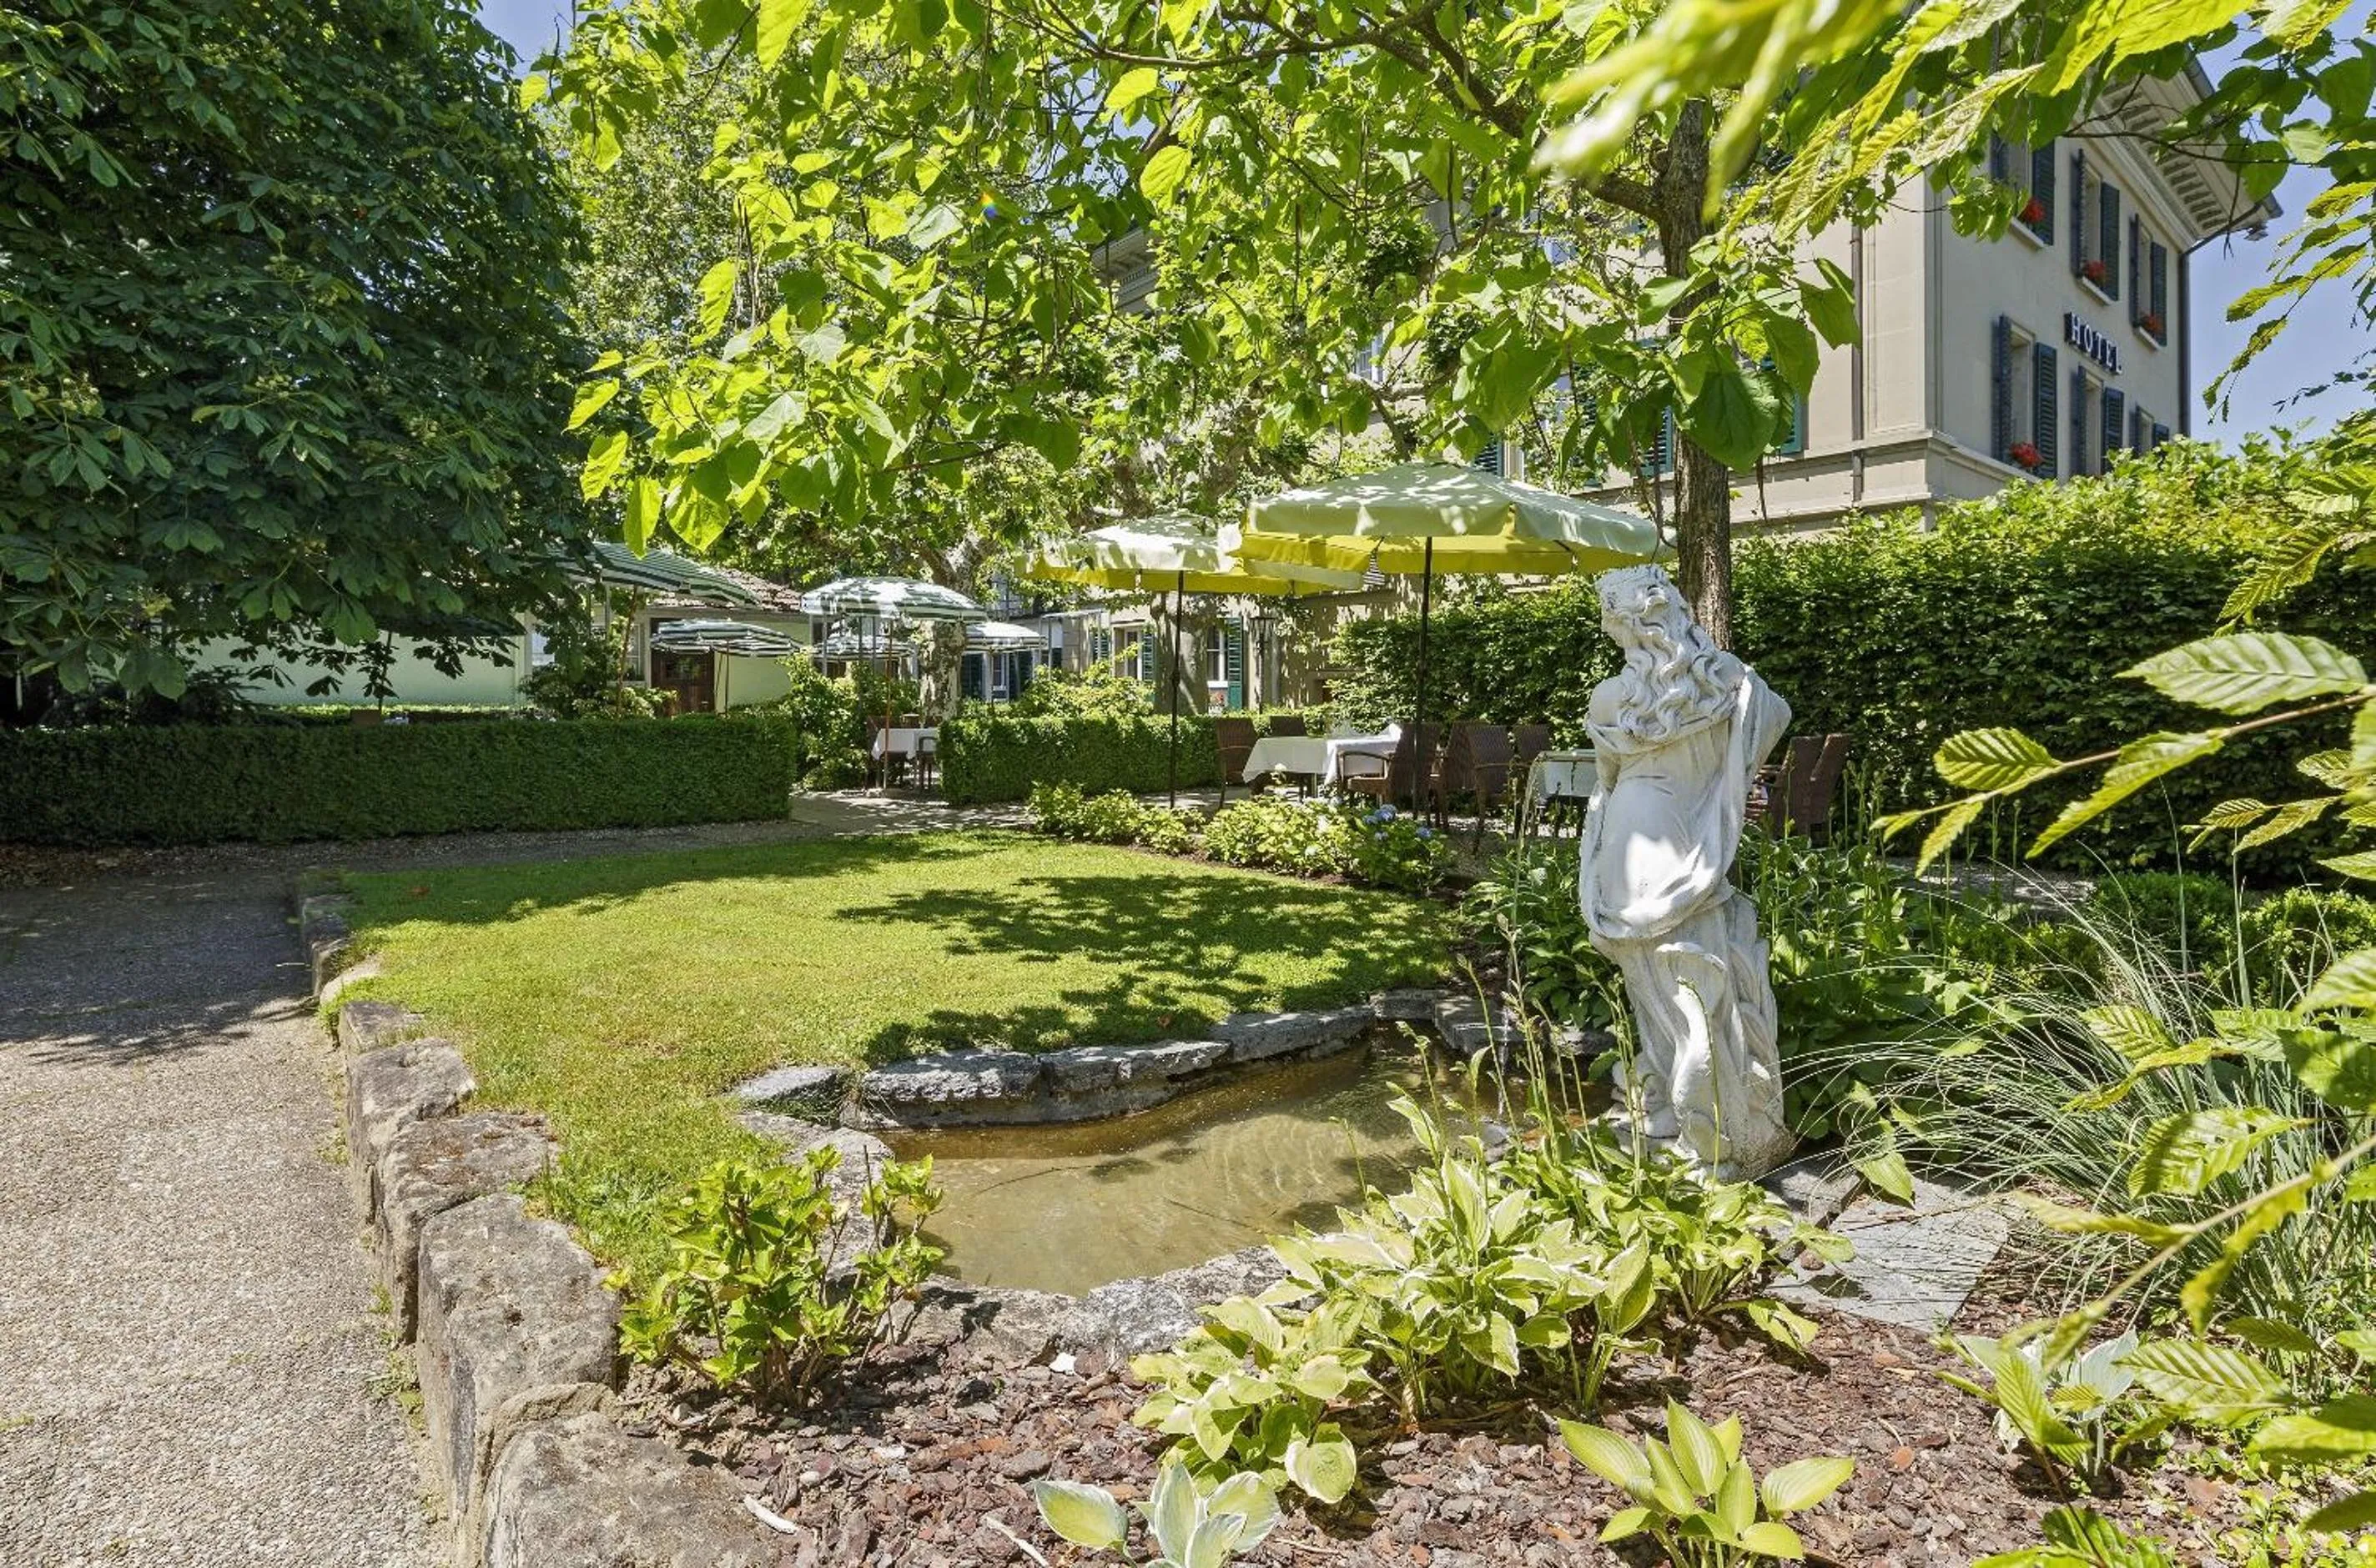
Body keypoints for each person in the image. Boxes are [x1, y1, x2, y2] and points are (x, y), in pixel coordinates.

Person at [1577, 565, 1795, 1177]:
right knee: (1697, 987)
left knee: (1656, 988)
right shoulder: (1730, 678)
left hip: (1632, 835)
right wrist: (1722, 782)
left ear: (1621, 621)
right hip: (1692, 839)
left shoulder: (1613, 696)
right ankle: (1709, 1121)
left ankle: (1703, 1128)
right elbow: (1772, 719)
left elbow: (1610, 776)